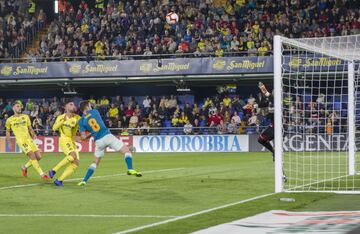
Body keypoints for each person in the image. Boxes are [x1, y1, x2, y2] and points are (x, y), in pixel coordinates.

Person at [77, 100, 141, 186]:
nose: (91, 106)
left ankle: (84, 181)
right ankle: (130, 169)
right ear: (87, 107)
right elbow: (97, 124)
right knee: (127, 151)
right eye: (90, 105)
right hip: (107, 136)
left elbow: (83, 137)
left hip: (98, 142)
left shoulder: (81, 121)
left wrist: (89, 135)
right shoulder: (95, 111)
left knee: (95, 162)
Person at [5, 101, 49, 180]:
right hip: (21, 141)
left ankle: (24, 167)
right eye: (17, 106)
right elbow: (7, 131)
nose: (19, 108)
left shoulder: (25, 116)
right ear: (13, 108)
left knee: (38, 157)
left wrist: (33, 134)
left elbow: (30, 128)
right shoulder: (9, 120)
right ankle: (42, 174)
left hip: (29, 139)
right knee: (32, 155)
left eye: (20, 106)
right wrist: (9, 142)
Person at [48, 101, 81, 187]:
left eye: (74, 104)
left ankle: (59, 180)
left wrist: (78, 137)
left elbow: (76, 130)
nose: (73, 106)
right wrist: (62, 121)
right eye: (71, 104)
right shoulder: (61, 117)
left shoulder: (77, 118)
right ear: (66, 107)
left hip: (71, 140)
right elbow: (54, 128)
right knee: (73, 155)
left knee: (76, 163)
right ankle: (53, 170)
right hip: (64, 139)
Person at [257, 82, 275, 161]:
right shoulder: (270, 101)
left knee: (261, 139)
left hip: (278, 126)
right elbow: (261, 105)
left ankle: (275, 153)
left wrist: (262, 87)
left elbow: (267, 93)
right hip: (274, 126)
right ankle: (274, 152)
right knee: (260, 139)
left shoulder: (275, 100)